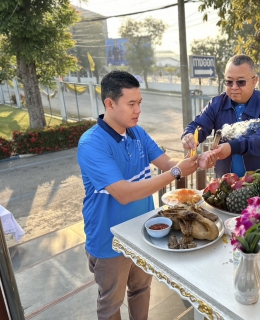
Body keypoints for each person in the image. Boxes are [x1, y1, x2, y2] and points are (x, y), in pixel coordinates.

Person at [77, 70, 216, 320]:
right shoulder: (92, 144)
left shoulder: (137, 133)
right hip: (108, 240)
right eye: (131, 104)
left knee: (141, 289)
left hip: (143, 232)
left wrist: (196, 160)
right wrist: (176, 170)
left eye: (139, 103)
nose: (138, 110)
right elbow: (123, 194)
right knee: (111, 303)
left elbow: (168, 163)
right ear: (109, 103)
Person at [182, 54, 260, 178]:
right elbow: (199, 124)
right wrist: (189, 135)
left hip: (259, 183)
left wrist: (232, 147)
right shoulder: (217, 103)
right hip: (225, 184)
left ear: (254, 81)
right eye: (229, 82)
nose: (234, 87)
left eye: (240, 82)